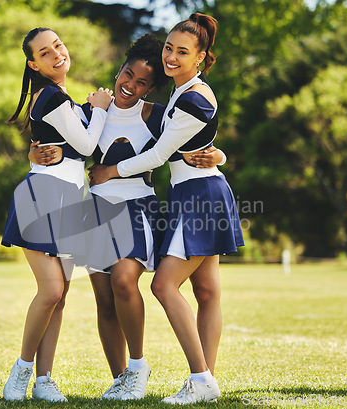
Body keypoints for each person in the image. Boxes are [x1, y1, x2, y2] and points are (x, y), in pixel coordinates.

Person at [32, 33, 227, 401]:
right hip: (95, 210)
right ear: (119, 69)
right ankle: (123, 377)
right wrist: (34, 154)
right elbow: (54, 140)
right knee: (105, 301)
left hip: (139, 208)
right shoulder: (92, 111)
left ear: (152, 88)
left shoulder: (157, 116)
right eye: (128, 75)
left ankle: (139, 367)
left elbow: (197, 140)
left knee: (125, 279)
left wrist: (219, 157)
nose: (131, 85)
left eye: (142, 82)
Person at [88, 13, 244, 405]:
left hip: (200, 196)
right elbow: (201, 143)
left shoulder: (193, 96)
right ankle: (204, 381)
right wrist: (219, 155)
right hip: (189, 192)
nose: (172, 57)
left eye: (182, 52)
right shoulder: (182, 90)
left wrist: (109, 171)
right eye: (169, 49)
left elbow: (159, 154)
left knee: (163, 285)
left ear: (201, 57)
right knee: (206, 291)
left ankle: (202, 379)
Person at [0, 27, 113, 402]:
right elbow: (86, 143)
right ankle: (22, 369)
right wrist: (98, 108)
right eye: (45, 53)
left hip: (69, 198)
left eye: (59, 45)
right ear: (34, 64)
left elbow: (75, 147)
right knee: (51, 291)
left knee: (60, 295)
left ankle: (44, 381)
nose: (57, 54)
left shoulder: (62, 97)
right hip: (42, 196)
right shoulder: (49, 95)